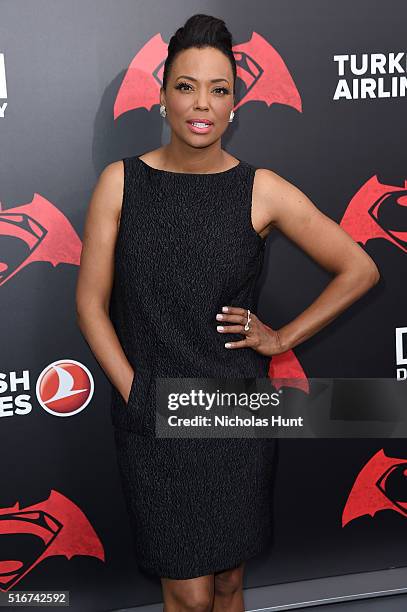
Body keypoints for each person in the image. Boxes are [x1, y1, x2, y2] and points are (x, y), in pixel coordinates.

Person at [75, 13, 380, 612]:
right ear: (162, 96)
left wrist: (282, 336)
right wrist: (136, 392)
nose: (202, 104)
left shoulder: (260, 190)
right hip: (153, 416)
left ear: (236, 105)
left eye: (220, 90)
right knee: (187, 595)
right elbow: (90, 304)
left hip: (234, 414)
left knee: (228, 585)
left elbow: (360, 269)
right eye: (187, 86)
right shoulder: (121, 183)